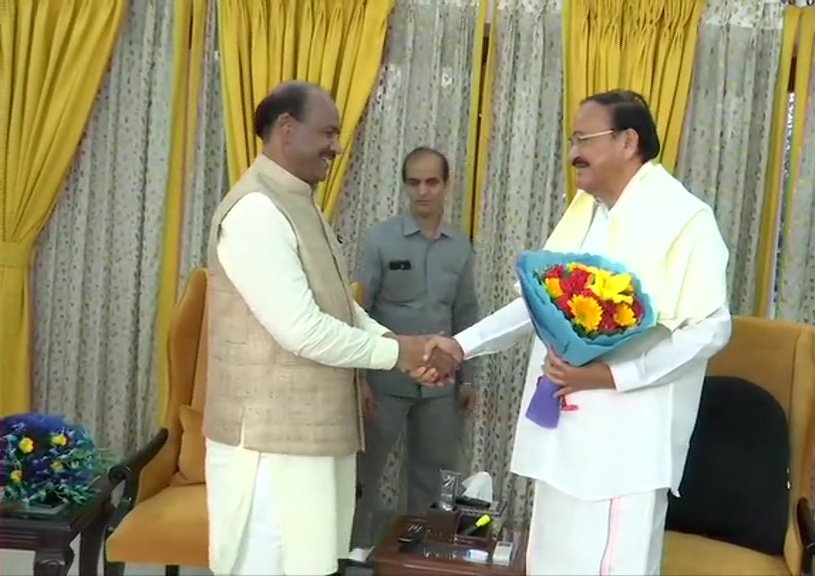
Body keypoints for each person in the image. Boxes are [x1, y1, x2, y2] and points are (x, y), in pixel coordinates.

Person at [424, 90, 732, 575]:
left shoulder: (685, 220)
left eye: (583, 140)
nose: (573, 155)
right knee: (549, 560)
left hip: (623, 444)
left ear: (628, 141)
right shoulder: (584, 214)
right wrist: (462, 345)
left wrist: (613, 376)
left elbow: (711, 329)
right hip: (561, 434)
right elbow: (536, 303)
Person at [203, 81, 454, 576]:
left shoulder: (302, 204)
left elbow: (339, 307)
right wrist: (401, 354)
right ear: (287, 130)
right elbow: (302, 329)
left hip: (312, 438)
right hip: (271, 447)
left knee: (313, 564)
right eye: (329, 133)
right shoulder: (256, 211)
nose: (337, 147)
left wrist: (396, 343)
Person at [349, 147, 479, 561]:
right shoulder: (381, 239)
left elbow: (466, 313)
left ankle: (419, 559)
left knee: (435, 476)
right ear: (405, 185)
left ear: (446, 185)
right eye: (414, 182)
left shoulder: (459, 247)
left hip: (440, 385)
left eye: (432, 182)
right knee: (363, 473)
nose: (422, 191)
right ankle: (348, 553)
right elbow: (358, 311)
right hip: (384, 382)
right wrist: (358, 380)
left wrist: (469, 378)